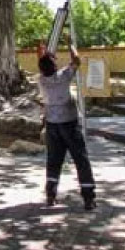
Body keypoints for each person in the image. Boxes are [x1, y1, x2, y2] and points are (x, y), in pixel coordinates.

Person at [37, 49, 96, 210]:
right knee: (81, 159)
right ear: (55, 65)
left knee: (53, 160)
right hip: (69, 123)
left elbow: (43, 64)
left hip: (52, 124)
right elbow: (76, 60)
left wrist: (44, 54)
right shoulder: (63, 76)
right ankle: (88, 197)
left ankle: (51, 194)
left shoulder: (41, 80)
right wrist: (71, 47)